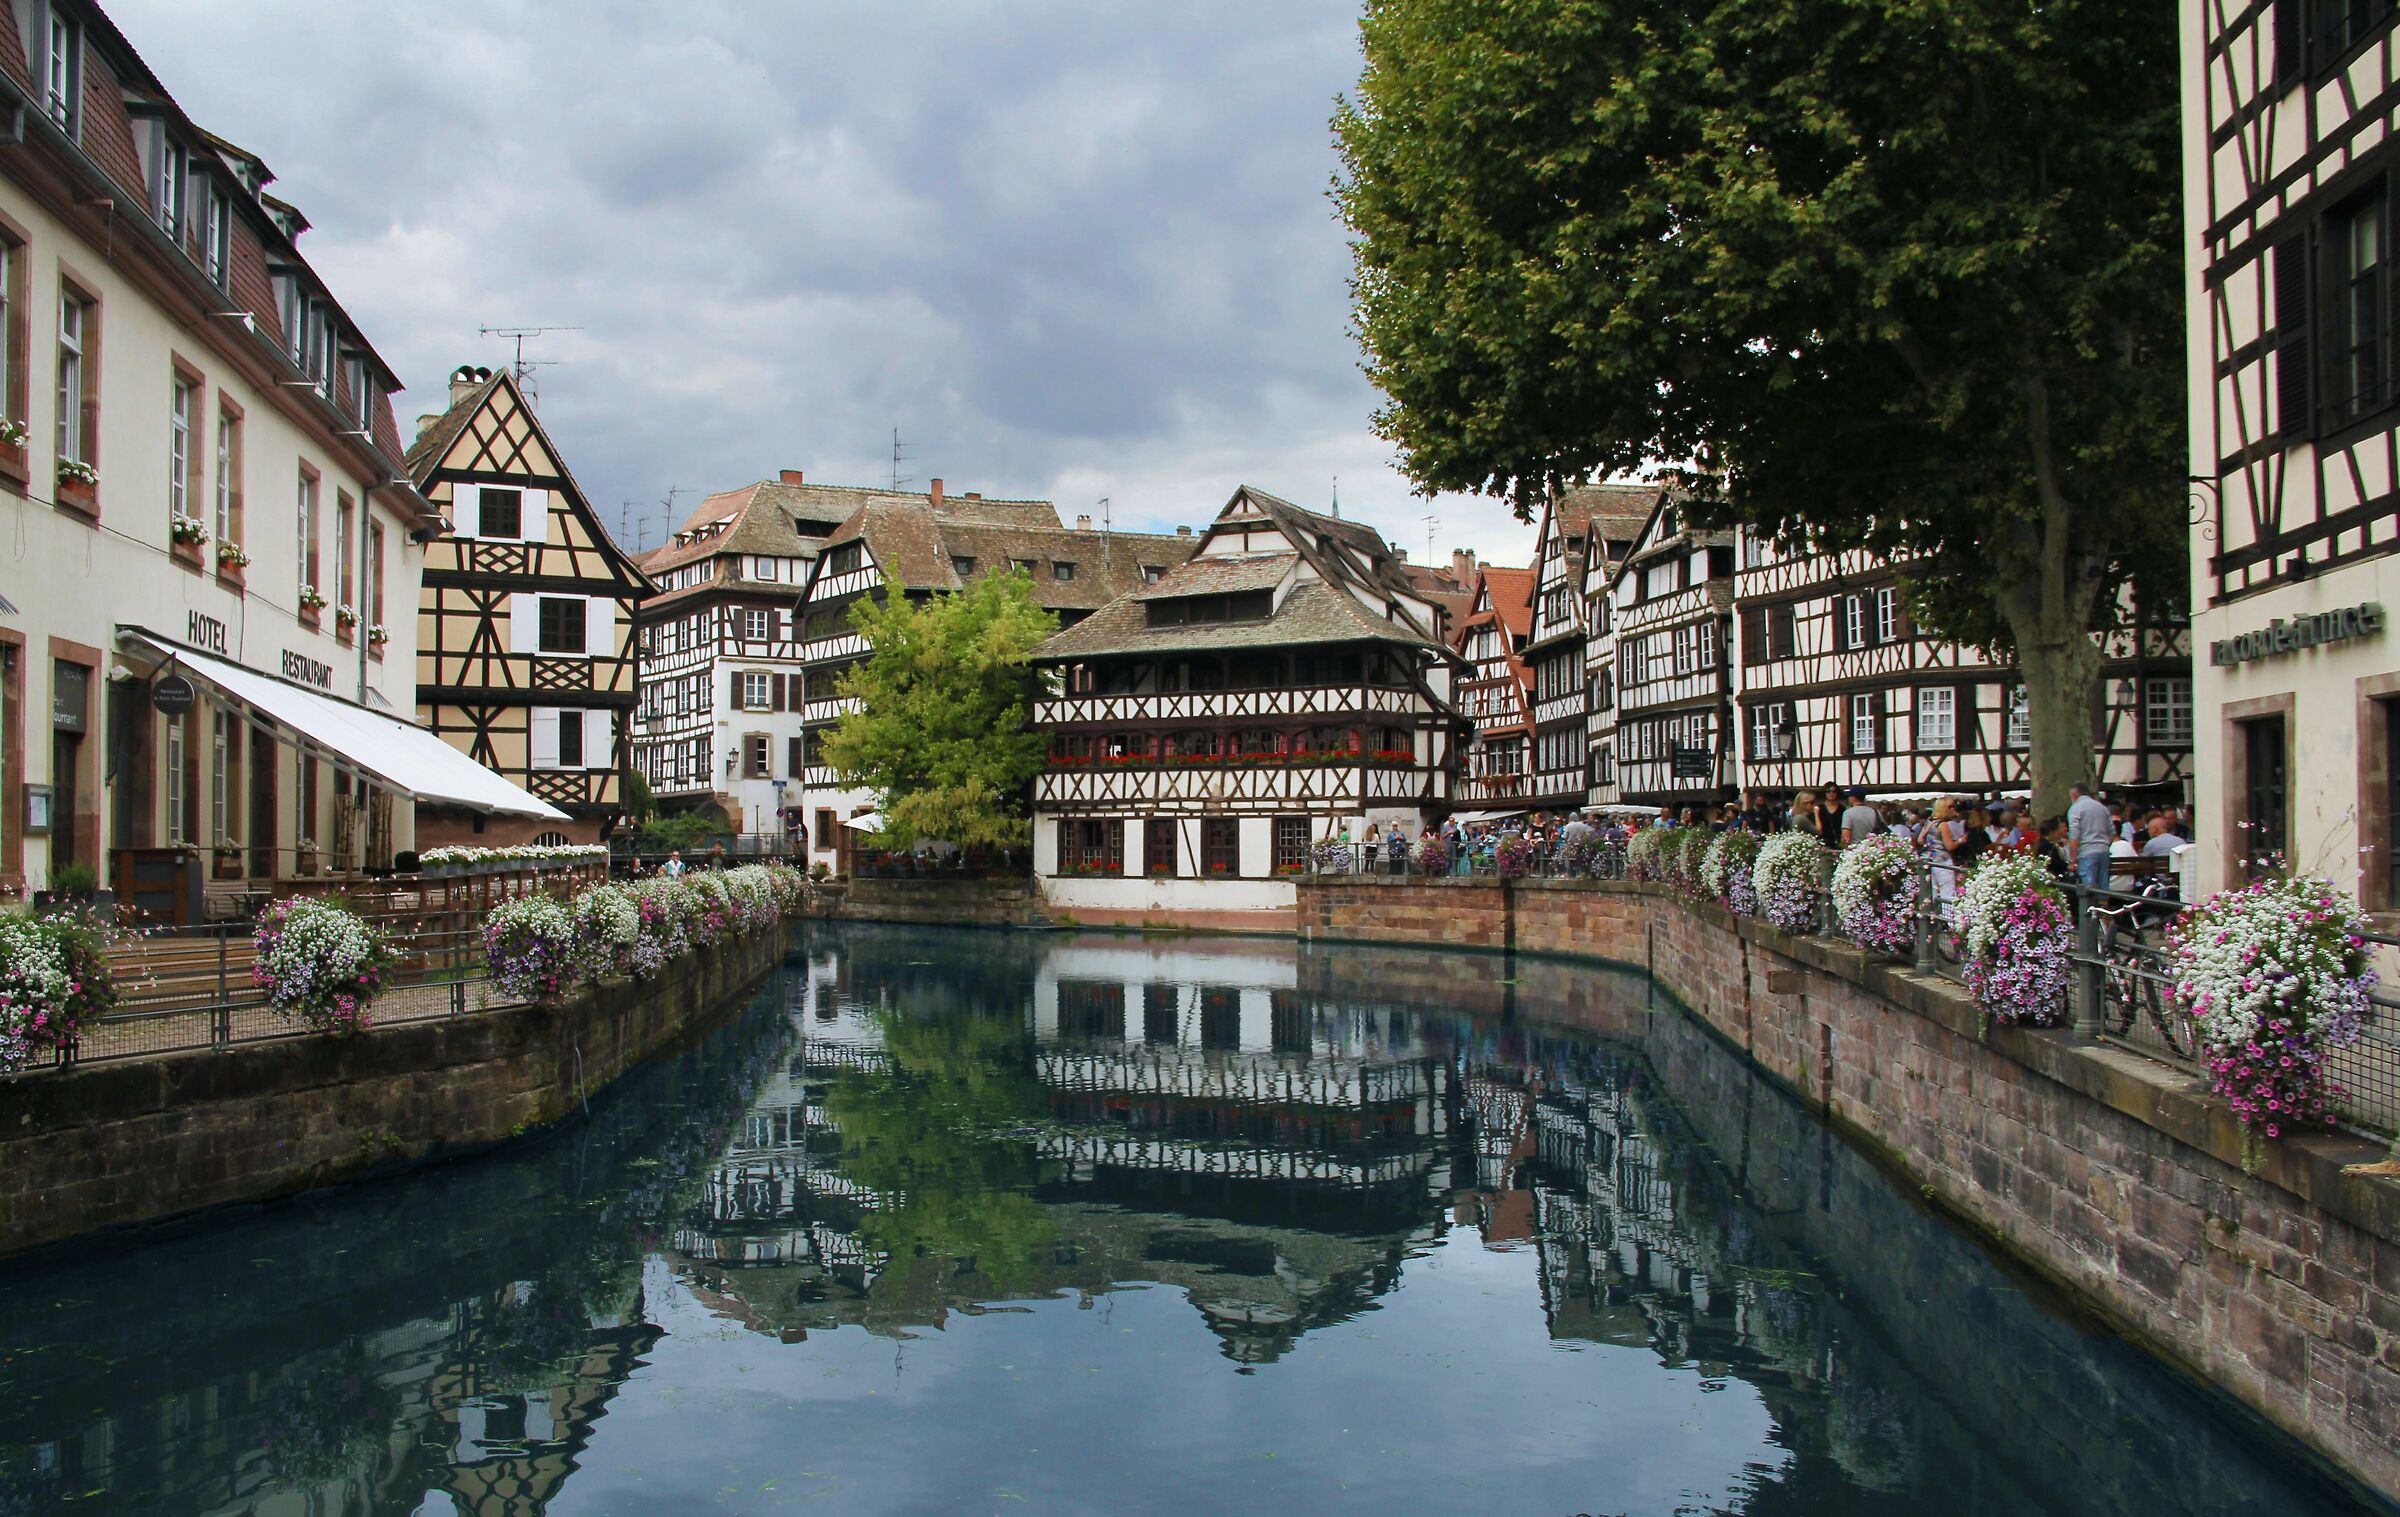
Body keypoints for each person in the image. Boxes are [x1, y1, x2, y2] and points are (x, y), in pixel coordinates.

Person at [2066, 782, 2114, 890]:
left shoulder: (2075, 809)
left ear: (2074, 794)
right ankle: (2104, 905)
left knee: (2088, 889)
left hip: (2086, 852)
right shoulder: (2102, 807)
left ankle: (2090, 906)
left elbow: (2075, 835)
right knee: (2104, 888)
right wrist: (2105, 844)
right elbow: (2112, 832)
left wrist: (2072, 860)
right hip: (2103, 850)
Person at [2036, 816, 2075, 882]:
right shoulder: (2048, 846)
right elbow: (2057, 862)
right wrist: (2068, 866)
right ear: (2052, 832)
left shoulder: (2041, 843)